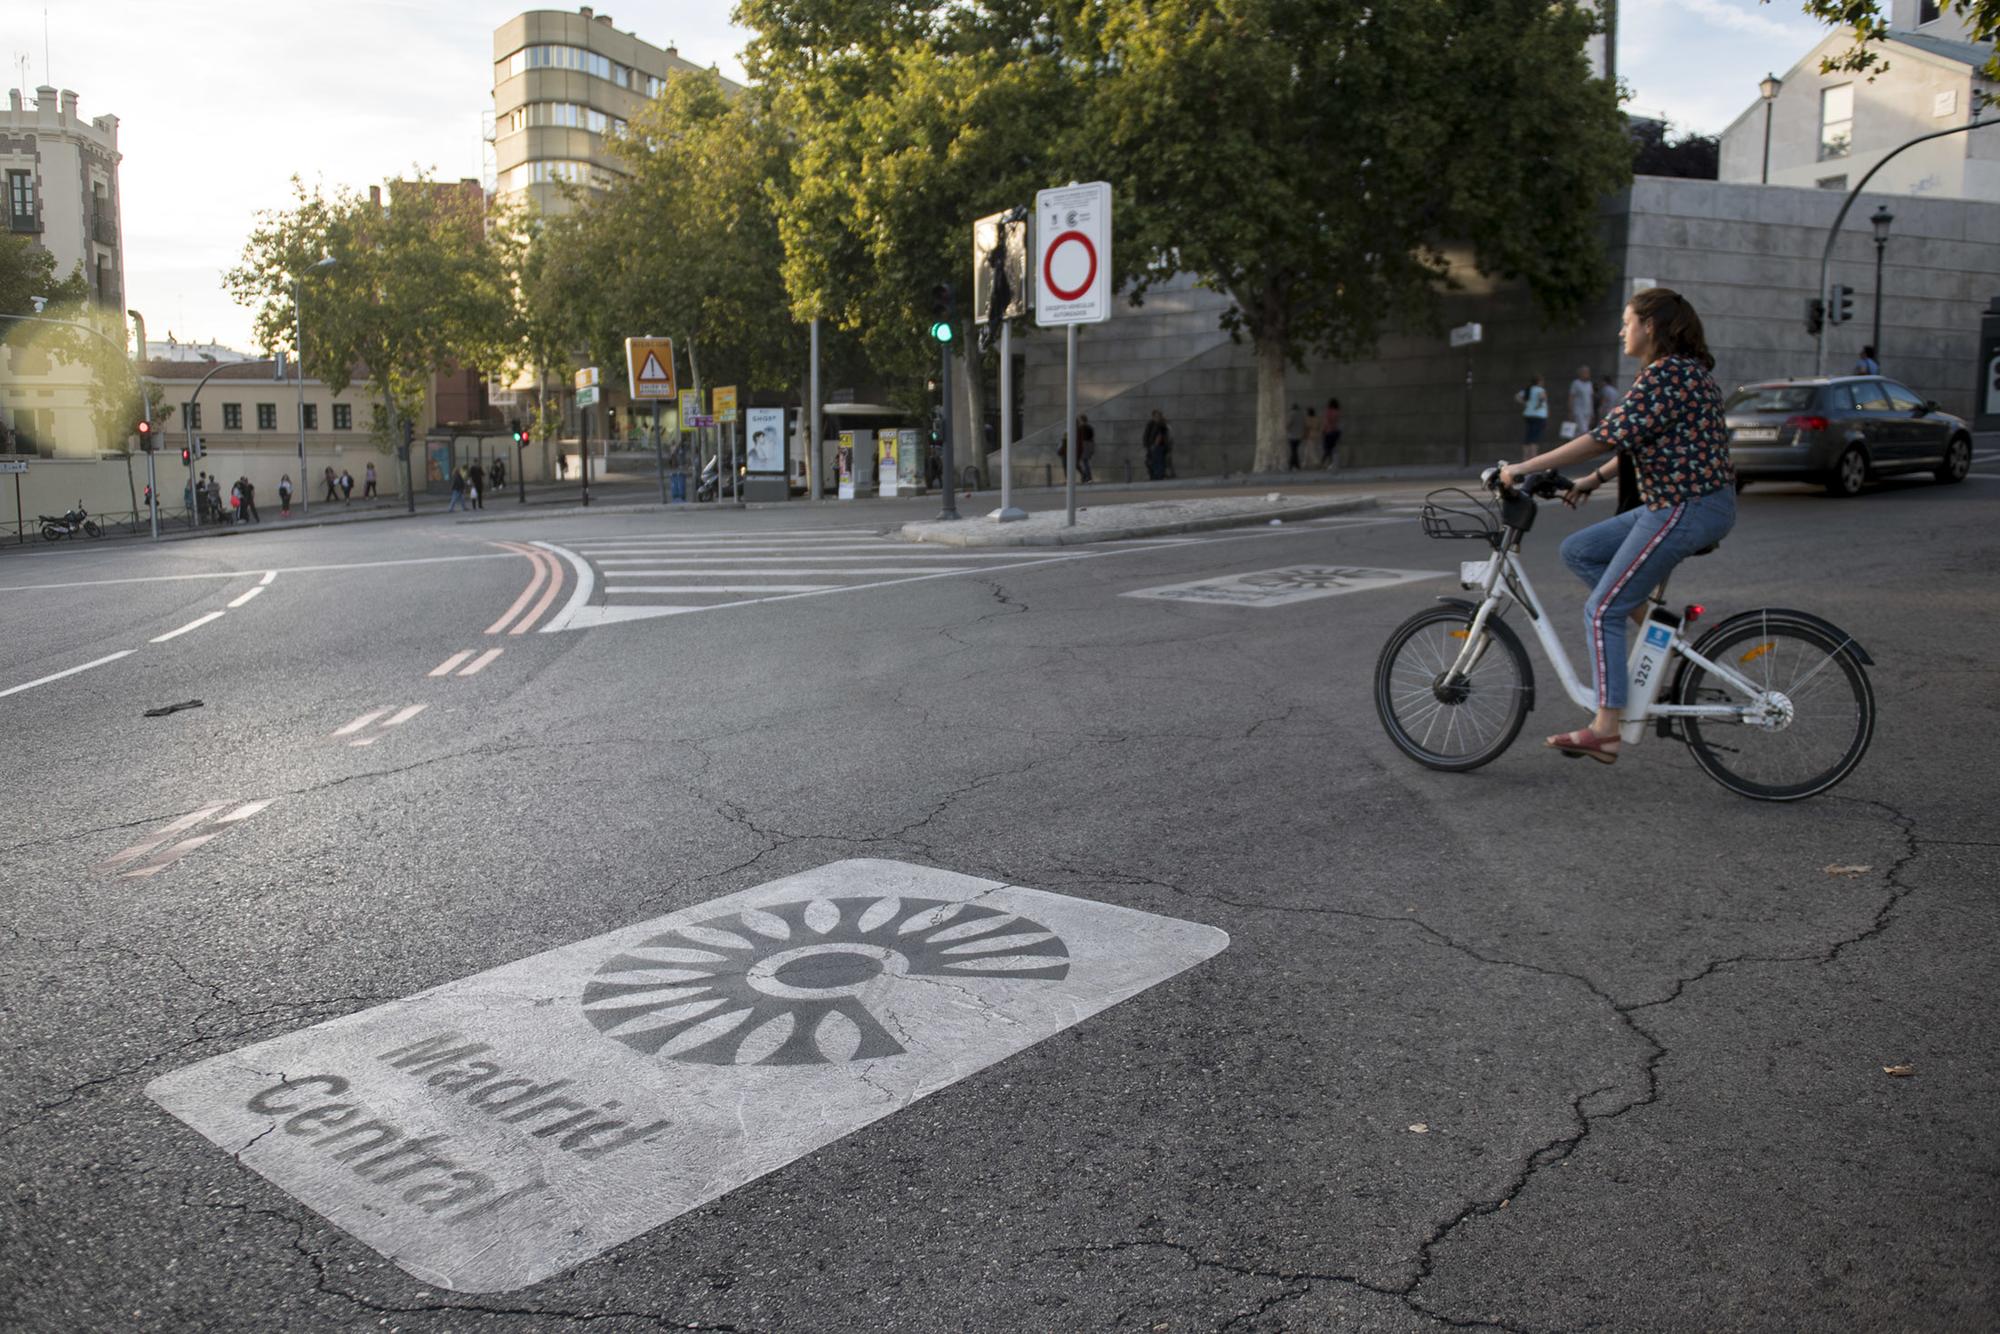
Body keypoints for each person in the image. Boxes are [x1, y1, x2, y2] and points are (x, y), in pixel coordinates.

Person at [1499, 287, 1737, 765]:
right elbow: (1637, 440)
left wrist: (1521, 468)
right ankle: (1660, 634)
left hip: (1684, 507)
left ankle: (1605, 730)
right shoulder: (1684, 372)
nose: (1620, 330)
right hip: (1684, 504)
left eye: (1627, 322)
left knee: (1603, 609)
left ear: (1650, 325)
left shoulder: (1667, 374)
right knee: (1580, 550)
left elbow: (1603, 437)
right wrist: (1593, 480)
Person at [1516, 376, 1549, 445]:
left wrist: (1524, 403)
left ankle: (1526, 451)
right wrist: (1539, 404)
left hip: (1528, 415)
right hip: (1539, 415)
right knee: (1535, 436)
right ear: (1539, 382)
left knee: (1529, 434)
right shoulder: (1540, 389)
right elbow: (1543, 398)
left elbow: (1517, 396)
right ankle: (1533, 451)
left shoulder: (1528, 389)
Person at [1567, 365, 1595, 437]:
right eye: (1585, 372)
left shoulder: (1589, 384)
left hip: (1588, 411)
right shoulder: (1576, 383)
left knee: (1579, 431)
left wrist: (1592, 412)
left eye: (1588, 372)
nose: (1587, 374)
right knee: (1584, 430)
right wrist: (1570, 410)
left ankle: (1574, 442)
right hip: (1578, 410)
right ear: (1580, 373)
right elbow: (1571, 397)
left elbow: (1591, 398)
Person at [1143, 409, 1172, 481]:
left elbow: (1163, 435)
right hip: (1152, 446)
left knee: (1159, 461)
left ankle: (1159, 476)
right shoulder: (1150, 424)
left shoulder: (1162, 424)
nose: (1158, 417)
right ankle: (1154, 476)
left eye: (1159, 416)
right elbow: (1146, 435)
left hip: (1160, 446)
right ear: (1153, 417)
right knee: (1151, 461)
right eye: (1156, 416)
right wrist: (1146, 445)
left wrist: (1156, 445)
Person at [1320, 397, 1342, 468]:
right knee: (1331, 448)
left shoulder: (1328, 411)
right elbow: (1336, 421)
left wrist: (1323, 430)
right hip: (1336, 432)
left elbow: (1326, 421)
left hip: (1328, 432)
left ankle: (1324, 463)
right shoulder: (1337, 411)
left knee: (1327, 448)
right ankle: (1330, 463)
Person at [1074, 414, 1096, 483]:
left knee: (1083, 462)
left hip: (1084, 446)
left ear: (1082, 420)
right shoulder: (1089, 427)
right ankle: (1086, 477)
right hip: (1088, 446)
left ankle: (1087, 477)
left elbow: (1080, 439)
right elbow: (1092, 439)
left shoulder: (1081, 428)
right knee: (1085, 462)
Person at [1285, 403, 1305, 471]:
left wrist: (1286, 428)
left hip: (1292, 435)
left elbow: (1289, 424)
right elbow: (1303, 424)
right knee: (1295, 450)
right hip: (1299, 435)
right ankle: (1296, 465)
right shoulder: (1301, 415)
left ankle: (1292, 465)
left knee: (1293, 451)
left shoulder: (1292, 414)